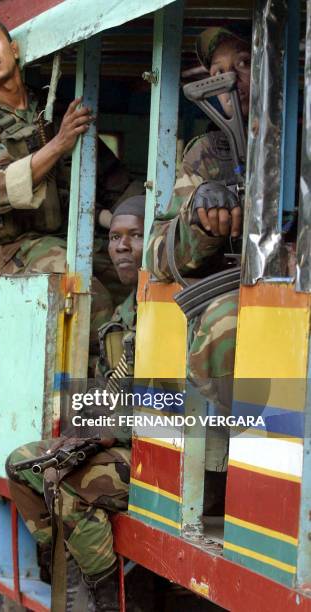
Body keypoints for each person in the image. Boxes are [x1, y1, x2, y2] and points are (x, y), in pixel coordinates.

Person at [0, 15, 142, 342]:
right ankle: (108, 374)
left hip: (72, 237)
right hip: (14, 248)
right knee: (88, 294)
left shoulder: (50, 112)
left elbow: (117, 182)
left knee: (136, 276)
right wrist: (58, 145)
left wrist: (138, 227)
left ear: (13, 48)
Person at [7, 196, 145, 612]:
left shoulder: (173, 312)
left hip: (153, 457)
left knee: (64, 483)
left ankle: (102, 600)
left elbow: (181, 406)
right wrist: (80, 429)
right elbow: (110, 387)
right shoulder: (125, 311)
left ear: (156, 242)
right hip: (120, 445)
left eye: (135, 236)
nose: (121, 246)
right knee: (22, 463)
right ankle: (55, 560)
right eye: (115, 237)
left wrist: (108, 432)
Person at [146, 27, 251, 481]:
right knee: (224, 326)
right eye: (217, 73)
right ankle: (227, 471)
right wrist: (198, 215)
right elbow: (158, 255)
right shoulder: (207, 153)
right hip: (243, 297)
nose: (231, 81)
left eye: (244, 64)